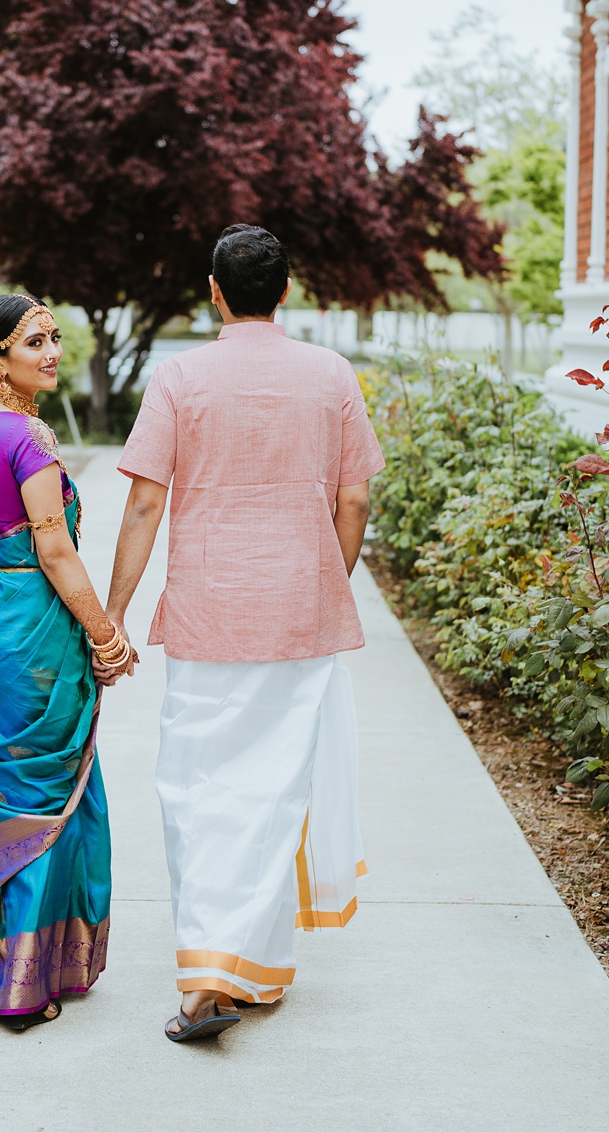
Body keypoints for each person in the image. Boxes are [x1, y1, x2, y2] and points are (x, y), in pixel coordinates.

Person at [106, 225, 385, 1043]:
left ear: (214, 291)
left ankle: (209, 978)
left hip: (206, 615)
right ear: (286, 292)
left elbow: (147, 503)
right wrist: (321, 581)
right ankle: (252, 975)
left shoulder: (181, 376)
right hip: (300, 614)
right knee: (275, 791)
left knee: (198, 790)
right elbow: (356, 500)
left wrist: (115, 613)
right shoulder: (331, 374)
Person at [0, 294, 135, 1030]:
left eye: (53, 338)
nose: (51, 352)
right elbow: (54, 550)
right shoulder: (30, 439)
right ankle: (25, 982)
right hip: (33, 643)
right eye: (33, 343)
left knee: (0, 793)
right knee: (43, 798)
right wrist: (106, 635)